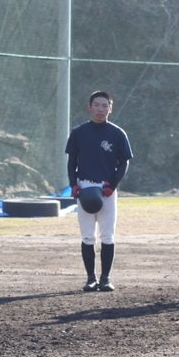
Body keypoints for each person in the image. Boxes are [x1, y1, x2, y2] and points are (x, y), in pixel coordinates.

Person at [64, 90, 133, 292]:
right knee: (87, 236)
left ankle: (105, 278)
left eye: (105, 105)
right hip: (85, 187)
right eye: (97, 105)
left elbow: (124, 163)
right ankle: (90, 278)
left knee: (108, 236)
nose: (100, 109)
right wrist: (74, 185)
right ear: (90, 106)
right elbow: (71, 162)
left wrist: (113, 185)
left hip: (106, 189)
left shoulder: (117, 134)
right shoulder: (79, 133)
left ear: (110, 108)